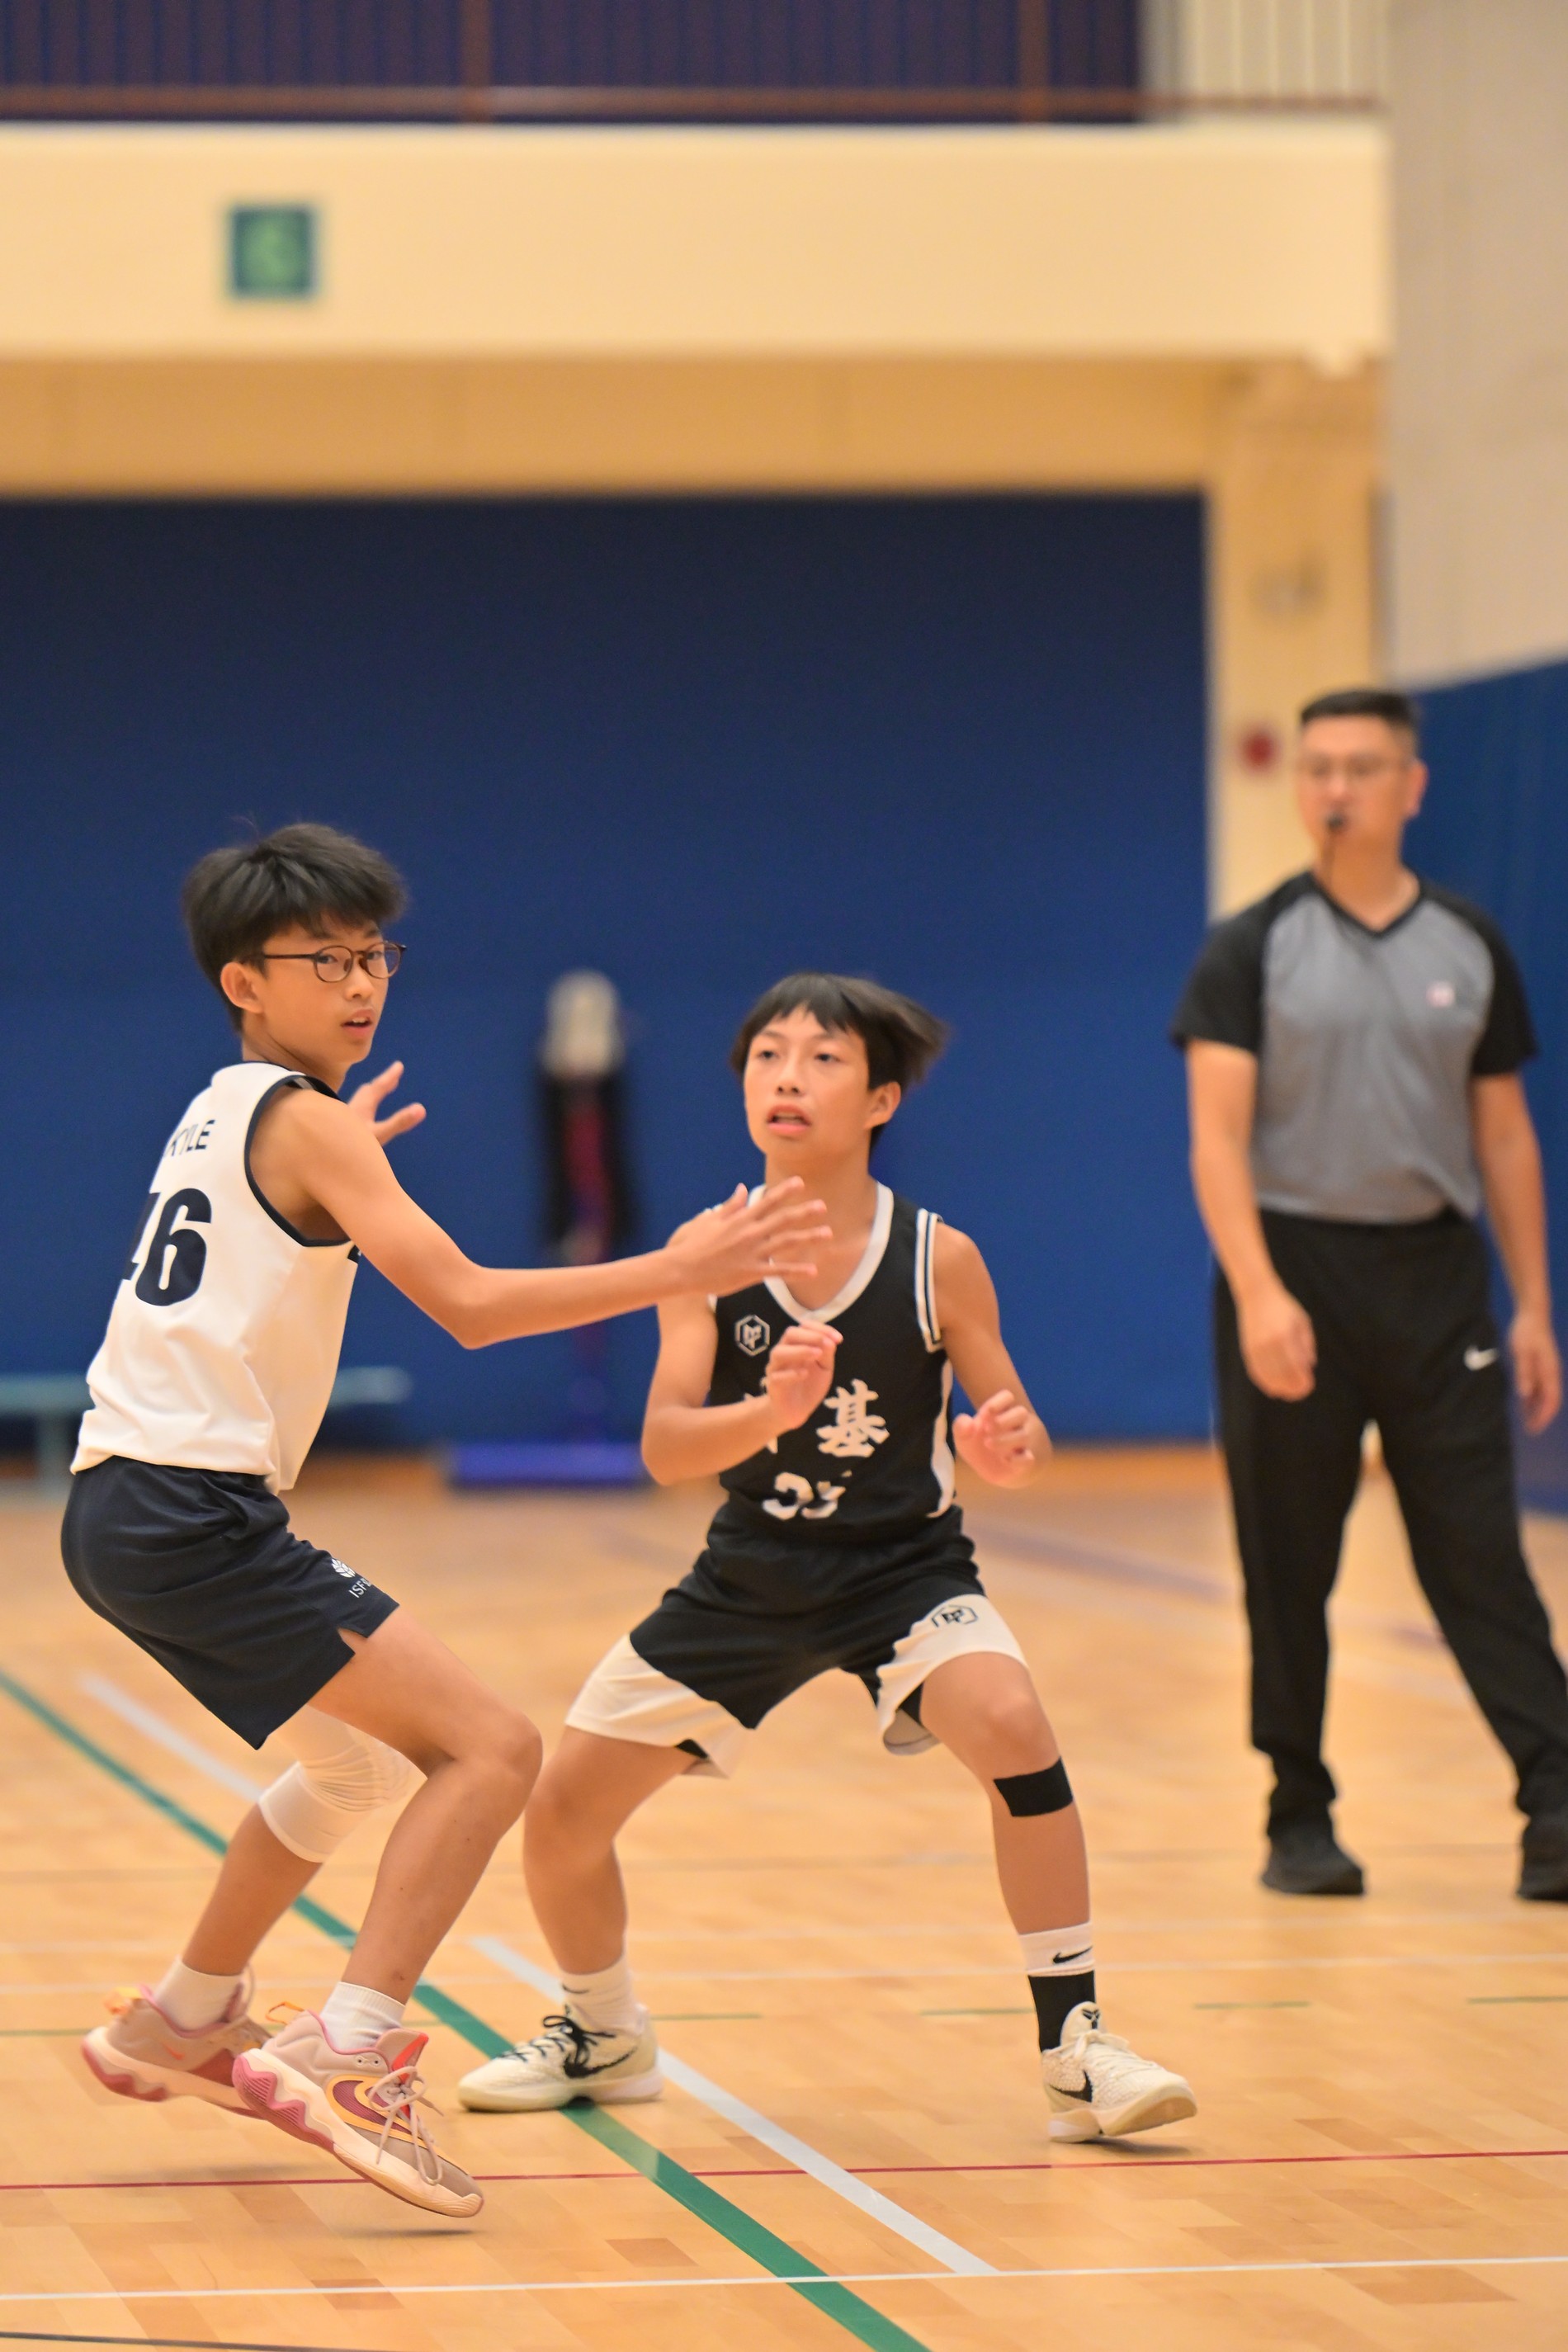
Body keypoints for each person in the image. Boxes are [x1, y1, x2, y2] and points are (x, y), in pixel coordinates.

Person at [64, 824, 827, 2218]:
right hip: (190, 1506)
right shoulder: (305, 1123)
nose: (362, 983)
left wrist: (346, 1155)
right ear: (244, 981)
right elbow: (470, 1305)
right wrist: (683, 1263)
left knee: (349, 1772)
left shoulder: (229, 1107)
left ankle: (184, 2015)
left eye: (375, 957)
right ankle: (353, 2049)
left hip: (117, 1504)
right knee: (492, 1748)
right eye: (326, 961)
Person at [457, 973, 1197, 2142]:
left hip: (905, 1571)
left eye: (822, 1057)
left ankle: (1076, 2048)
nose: (787, 1077)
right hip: (748, 1575)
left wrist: (1004, 1449)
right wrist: (771, 1412)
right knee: (559, 1814)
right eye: (767, 1055)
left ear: (882, 1099)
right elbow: (664, 1447)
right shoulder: (705, 1254)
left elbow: (1020, 1432)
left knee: (1013, 1724)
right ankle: (603, 2032)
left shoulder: (939, 1257)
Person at [1174, 687, 1568, 1899]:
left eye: (1360, 765)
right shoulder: (1251, 946)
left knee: (1478, 1552)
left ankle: (1557, 1802)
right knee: (1289, 1558)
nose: (1336, 787)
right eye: (1317, 768)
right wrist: (1259, 1291)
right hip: (1295, 1270)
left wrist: (1533, 1303)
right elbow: (1216, 1138)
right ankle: (1299, 1810)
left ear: (1412, 785)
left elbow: (1504, 1136)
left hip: (1435, 1279)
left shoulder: (1469, 943)